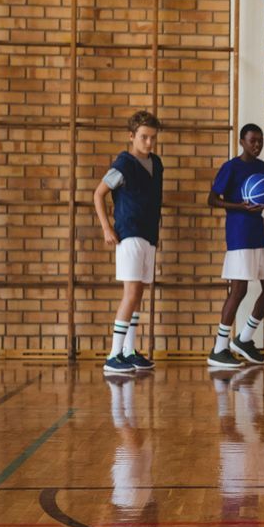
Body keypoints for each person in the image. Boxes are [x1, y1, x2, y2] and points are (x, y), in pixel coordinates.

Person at [93, 109, 163, 373]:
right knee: (131, 292)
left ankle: (129, 351)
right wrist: (106, 228)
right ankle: (113, 355)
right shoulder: (122, 164)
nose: (148, 143)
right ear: (131, 136)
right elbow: (98, 194)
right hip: (129, 233)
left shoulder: (156, 164)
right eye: (144, 137)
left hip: (148, 235)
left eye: (152, 138)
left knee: (139, 294)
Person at [206, 124, 264, 368]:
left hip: (258, 233)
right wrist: (241, 206)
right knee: (239, 290)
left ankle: (245, 338)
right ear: (241, 141)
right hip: (239, 235)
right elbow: (212, 200)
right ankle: (219, 348)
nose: (256, 145)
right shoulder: (231, 167)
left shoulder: (260, 167)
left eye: (260, 141)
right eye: (252, 141)